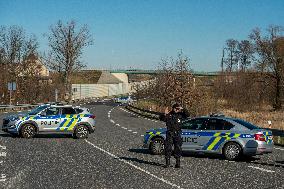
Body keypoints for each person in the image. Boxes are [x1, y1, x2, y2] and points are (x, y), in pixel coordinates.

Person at [160, 103, 190, 168]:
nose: (176, 110)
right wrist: (164, 114)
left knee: (178, 148)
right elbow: (161, 118)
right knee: (168, 148)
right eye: (175, 108)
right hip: (170, 133)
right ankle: (167, 163)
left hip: (178, 134)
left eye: (178, 109)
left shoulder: (180, 115)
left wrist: (183, 109)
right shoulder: (169, 114)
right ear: (173, 108)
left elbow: (187, 115)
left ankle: (177, 163)